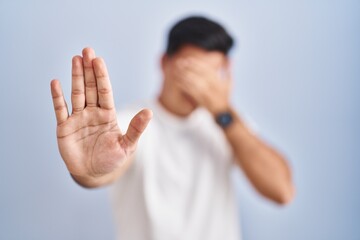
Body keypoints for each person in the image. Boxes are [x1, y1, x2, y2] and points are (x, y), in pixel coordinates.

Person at [50, 16, 295, 240]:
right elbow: (107, 164)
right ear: (164, 63)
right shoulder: (132, 124)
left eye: (211, 75)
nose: (200, 85)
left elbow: (282, 191)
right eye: (191, 70)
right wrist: (88, 172)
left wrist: (223, 112)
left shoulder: (227, 125)